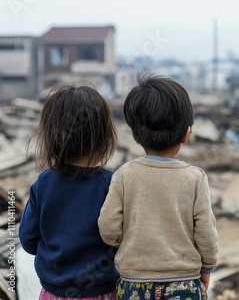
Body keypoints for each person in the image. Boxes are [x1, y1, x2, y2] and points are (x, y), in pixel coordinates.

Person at [98, 74, 218, 300]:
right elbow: (206, 231)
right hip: (185, 284)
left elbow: (108, 227)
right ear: (186, 134)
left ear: (133, 134)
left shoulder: (124, 175)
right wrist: (208, 266)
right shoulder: (195, 178)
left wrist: (129, 244)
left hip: (133, 286)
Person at [19, 83, 119, 300]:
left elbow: (27, 240)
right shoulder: (111, 184)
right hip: (104, 293)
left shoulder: (43, 184)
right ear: (104, 137)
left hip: (54, 293)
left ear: (51, 136)